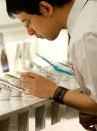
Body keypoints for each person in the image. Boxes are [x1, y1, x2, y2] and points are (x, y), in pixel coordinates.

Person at [5, 0, 97, 130]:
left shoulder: (85, 36)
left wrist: (54, 91)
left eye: (27, 22)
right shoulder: (90, 13)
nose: (29, 32)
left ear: (45, 8)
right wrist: (89, 108)